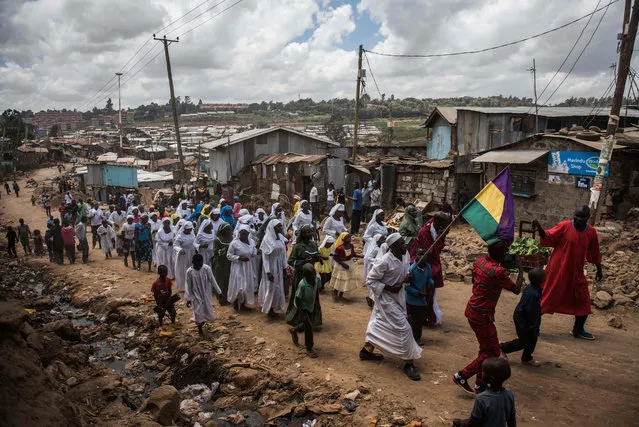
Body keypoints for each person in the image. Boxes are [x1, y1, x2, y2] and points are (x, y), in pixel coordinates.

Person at [452, 240, 524, 395]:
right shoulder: (498, 271)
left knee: (486, 348)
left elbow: (473, 281)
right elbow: (516, 290)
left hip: (472, 309)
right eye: (504, 252)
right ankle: (462, 375)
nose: (506, 255)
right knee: (491, 352)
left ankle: (480, 384)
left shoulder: (479, 262)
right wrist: (520, 268)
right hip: (483, 315)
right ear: (498, 253)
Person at [533, 206, 603, 340]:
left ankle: (578, 330)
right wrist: (541, 231)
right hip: (558, 269)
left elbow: (594, 251)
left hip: (576, 271)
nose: (578, 219)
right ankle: (534, 327)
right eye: (576, 215)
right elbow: (549, 236)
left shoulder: (591, 232)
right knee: (547, 299)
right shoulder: (564, 226)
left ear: (588, 218)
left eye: (582, 217)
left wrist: (599, 269)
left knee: (583, 300)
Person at [360, 233, 423, 381]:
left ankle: (366, 350)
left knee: (379, 323)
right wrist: (389, 288)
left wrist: (407, 277)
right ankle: (409, 362)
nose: (405, 246)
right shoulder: (384, 261)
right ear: (392, 247)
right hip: (386, 299)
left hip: (399, 297)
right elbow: (370, 280)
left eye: (404, 243)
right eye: (401, 244)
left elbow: (404, 272)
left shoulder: (405, 254)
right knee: (404, 327)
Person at [409, 212, 451, 327]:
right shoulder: (425, 232)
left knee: (430, 290)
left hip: (430, 262)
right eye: (444, 223)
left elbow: (439, 247)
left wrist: (442, 236)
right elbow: (429, 251)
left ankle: (426, 315)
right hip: (421, 262)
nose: (446, 225)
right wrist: (441, 236)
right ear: (437, 221)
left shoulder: (437, 228)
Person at [501, 268, 546, 367]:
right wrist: (532, 326)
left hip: (526, 318)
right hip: (524, 320)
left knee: (532, 339)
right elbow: (530, 311)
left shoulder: (531, 288)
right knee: (524, 341)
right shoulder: (533, 294)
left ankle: (527, 358)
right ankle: (501, 348)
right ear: (541, 280)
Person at [453, 357, 516, 427]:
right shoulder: (509, 395)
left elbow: (474, 423)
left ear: (491, 378)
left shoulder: (482, 399)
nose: (481, 372)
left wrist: (460, 422)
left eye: (483, 371)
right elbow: (512, 420)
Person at [286, 224, 321, 325]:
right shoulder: (297, 246)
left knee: (312, 297)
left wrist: (318, 258)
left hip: (312, 274)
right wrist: (303, 261)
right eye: (307, 232)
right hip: (301, 275)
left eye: (311, 232)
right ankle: (297, 319)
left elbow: (317, 255)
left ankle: (312, 320)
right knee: (300, 297)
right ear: (302, 234)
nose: (310, 234)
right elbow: (290, 261)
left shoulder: (313, 244)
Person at [288, 263, 321, 358]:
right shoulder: (302, 284)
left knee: (307, 323)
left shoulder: (317, 279)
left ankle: (294, 330)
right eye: (311, 276)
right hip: (302, 306)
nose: (313, 277)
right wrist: (301, 310)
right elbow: (298, 298)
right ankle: (309, 348)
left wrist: (316, 304)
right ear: (305, 276)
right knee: (309, 327)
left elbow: (316, 291)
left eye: (314, 274)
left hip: (311, 305)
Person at [185, 253, 222, 336]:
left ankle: (204, 321)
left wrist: (219, 292)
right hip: (196, 295)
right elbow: (188, 285)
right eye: (197, 264)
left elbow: (213, 280)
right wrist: (188, 299)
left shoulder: (206, 269)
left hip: (206, 294)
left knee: (208, 310)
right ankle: (200, 328)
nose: (199, 266)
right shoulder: (189, 272)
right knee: (198, 312)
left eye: (200, 264)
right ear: (193, 262)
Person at [258, 219, 288, 317]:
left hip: (279, 265)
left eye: (280, 226)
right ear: (273, 228)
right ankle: (269, 308)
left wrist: (285, 267)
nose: (280, 228)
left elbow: (283, 254)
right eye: (278, 226)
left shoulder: (280, 237)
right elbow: (265, 257)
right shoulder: (267, 239)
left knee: (278, 287)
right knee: (270, 288)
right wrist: (268, 272)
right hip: (270, 266)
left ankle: (275, 307)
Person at [405, 248, 434, 345]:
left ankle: (416, 336)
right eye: (419, 254)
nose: (421, 257)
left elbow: (430, 278)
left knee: (419, 319)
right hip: (413, 299)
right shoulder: (411, 270)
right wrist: (417, 292)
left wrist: (430, 283)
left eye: (423, 254)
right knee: (416, 320)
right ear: (415, 256)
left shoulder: (428, 267)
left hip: (422, 298)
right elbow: (407, 287)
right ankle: (415, 339)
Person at [226, 224, 257, 311]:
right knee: (239, 286)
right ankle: (236, 301)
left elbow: (253, 253)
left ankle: (243, 304)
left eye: (245, 234)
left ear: (248, 234)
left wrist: (257, 252)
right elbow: (228, 255)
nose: (243, 235)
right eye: (241, 233)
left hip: (248, 267)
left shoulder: (252, 242)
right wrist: (239, 258)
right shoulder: (234, 243)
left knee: (247, 285)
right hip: (238, 267)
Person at [327, 232, 358, 300]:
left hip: (349, 264)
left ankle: (341, 294)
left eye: (350, 237)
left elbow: (353, 254)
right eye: (347, 238)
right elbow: (335, 257)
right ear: (343, 239)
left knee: (346, 280)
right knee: (340, 279)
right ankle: (335, 292)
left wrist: (360, 256)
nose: (349, 239)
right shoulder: (339, 248)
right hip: (341, 265)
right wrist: (342, 264)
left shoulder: (351, 246)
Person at [212, 222, 233, 305]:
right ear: (223, 231)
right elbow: (216, 252)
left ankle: (228, 297)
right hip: (219, 263)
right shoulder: (217, 240)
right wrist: (226, 249)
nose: (229, 231)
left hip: (229, 263)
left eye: (229, 230)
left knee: (228, 280)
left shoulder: (232, 239)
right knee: (220, 281)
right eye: (227, 230)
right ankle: (221, 299)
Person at [363, 234, 386, 307]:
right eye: (381, 239)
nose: (383, 240)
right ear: (377, 240)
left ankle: (372, 299)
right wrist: (377, 261)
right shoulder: (375, 249)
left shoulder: (382, 247)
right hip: (373, 266)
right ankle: (371, 298)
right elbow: (368, 257)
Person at [152, 265, 178, 329]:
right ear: (159, 273)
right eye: (163, 272)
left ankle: (173, 322)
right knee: (161, 314)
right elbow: (155, 294)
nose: (165, 274)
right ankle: (160, 325)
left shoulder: (168, 280)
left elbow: (170, 289)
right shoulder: (156, 283)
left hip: (168, 300)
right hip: (160, 301)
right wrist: (158, 303)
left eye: (166, 272)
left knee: (173, 313)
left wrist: (169, 298)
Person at [174, 222, 197, 293]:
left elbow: (195, 243)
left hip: (191, 254)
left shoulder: (192, 235)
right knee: (183, 270)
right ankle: (183, 286)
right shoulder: (180, 236)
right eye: (188, 229)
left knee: (191, 269)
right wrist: (180, 249)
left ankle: (191, 286)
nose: (189, 231)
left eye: (190, 229)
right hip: (183, 255)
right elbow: (175, 245)